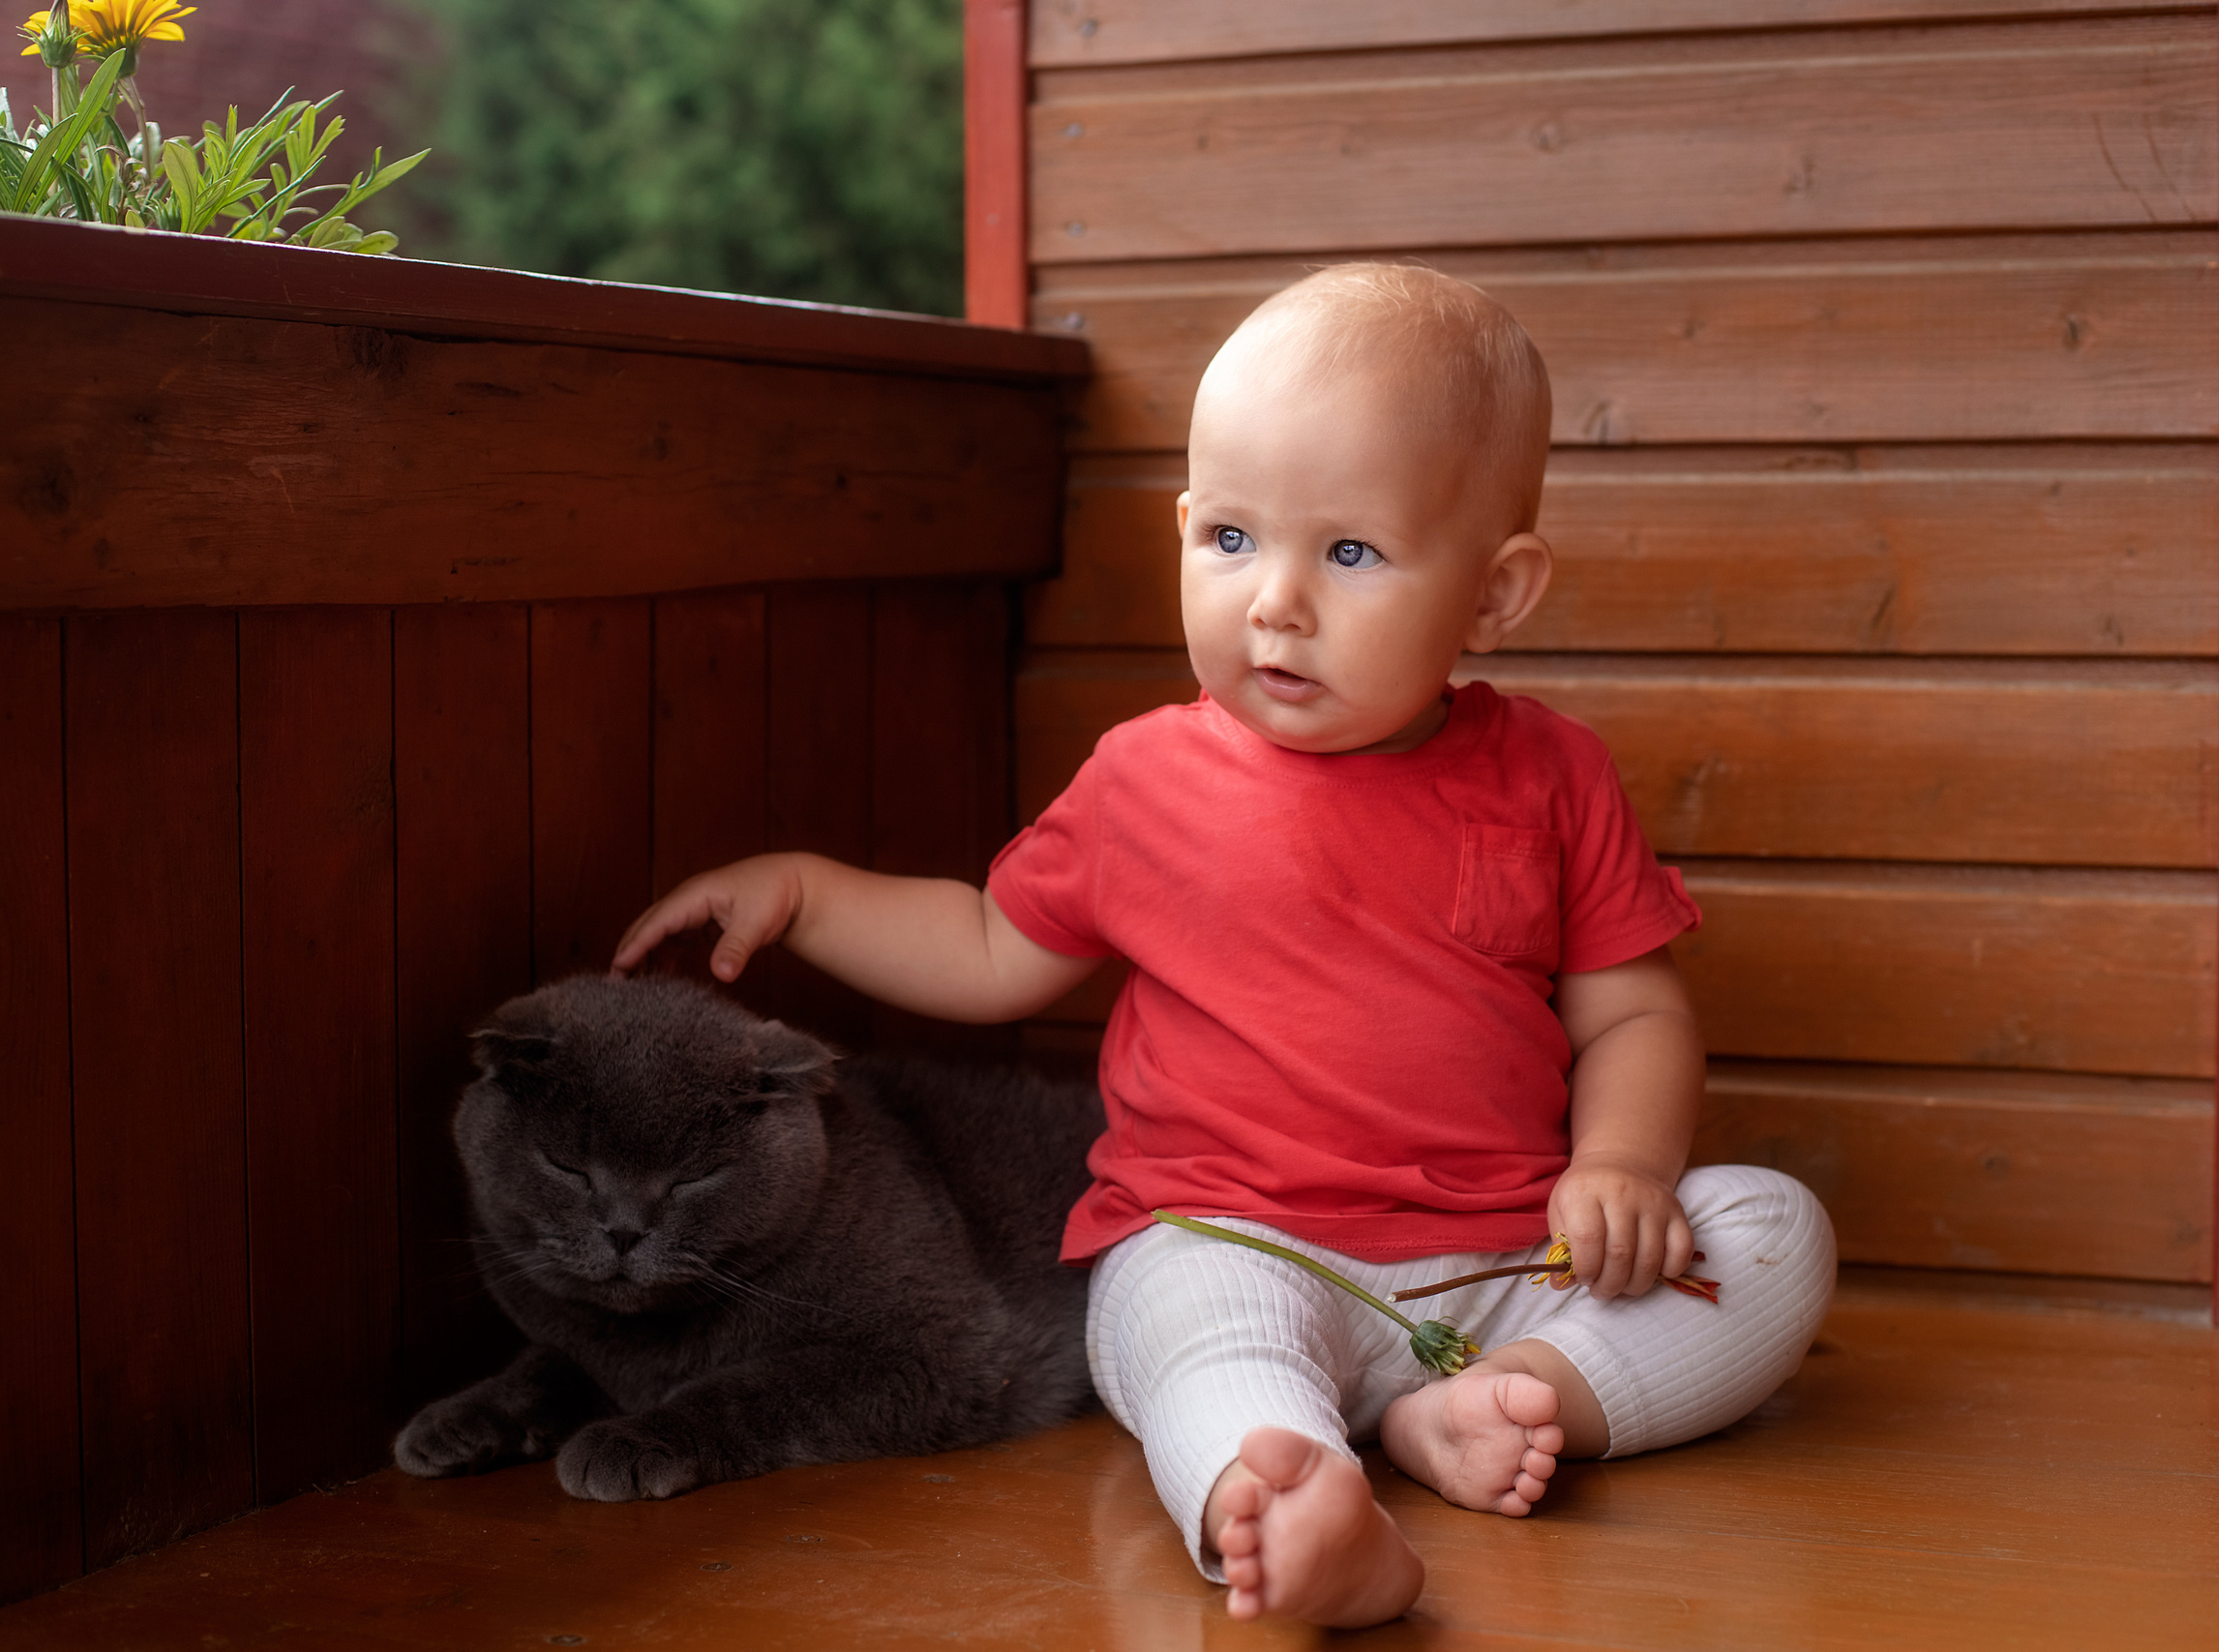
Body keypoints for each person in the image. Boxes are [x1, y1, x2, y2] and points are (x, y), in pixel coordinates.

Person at [614, 263, 1836, 1627]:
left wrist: (1622, 1167)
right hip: (1232, 1241)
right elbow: (983, 947)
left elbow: (1635, 1017)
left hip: (1505, 1268)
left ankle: (1510, 1405)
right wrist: (809, 892)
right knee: (1181, 1328)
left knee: (1768, 1234)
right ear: (1184, 529)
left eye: (1350, 553)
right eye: (1233, 541)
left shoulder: (1548, 776)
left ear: (1495, 596)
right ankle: (1303, 1503)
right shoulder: (1143, 783)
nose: (1276, 602)